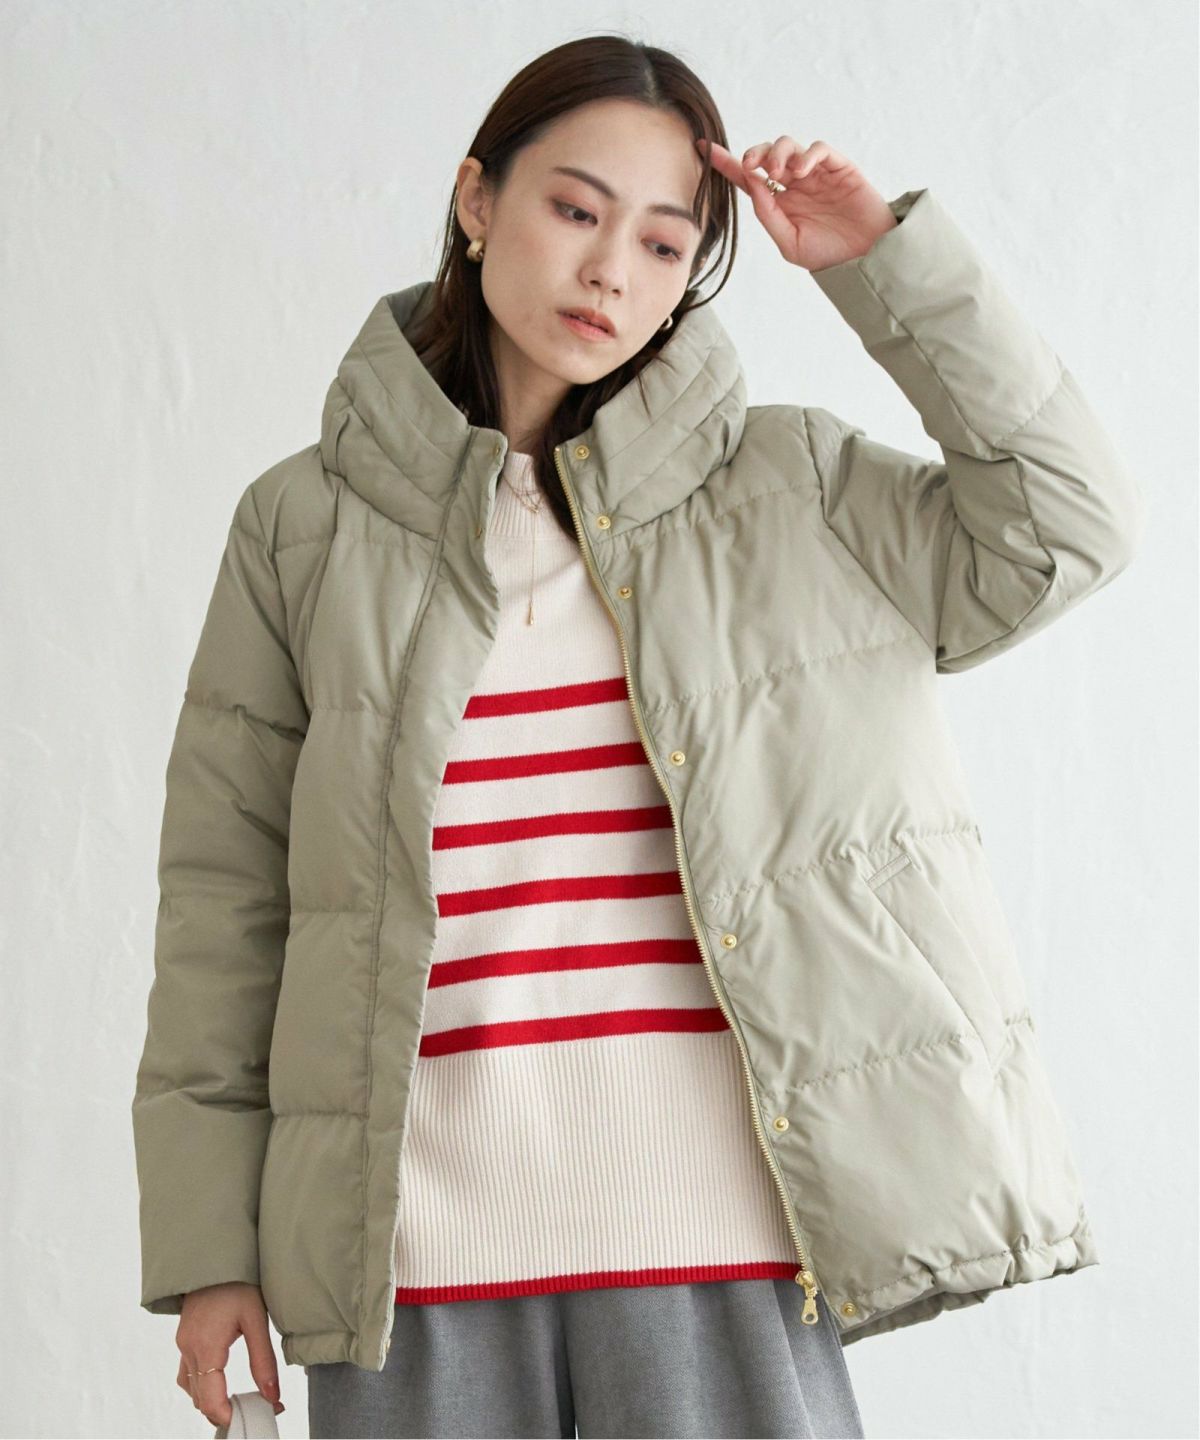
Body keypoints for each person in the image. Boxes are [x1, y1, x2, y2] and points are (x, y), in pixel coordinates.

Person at [131, 33, 1142, 1440]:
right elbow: (225, 904)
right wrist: (210, 1250)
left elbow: (1066, 528)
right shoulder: (302, 529)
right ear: (476, 200)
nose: (612, 270)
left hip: (724, 1244)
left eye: (665, 244)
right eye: (575, 210)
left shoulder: (795, 488)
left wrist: (880, 263)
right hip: (408, 1268)